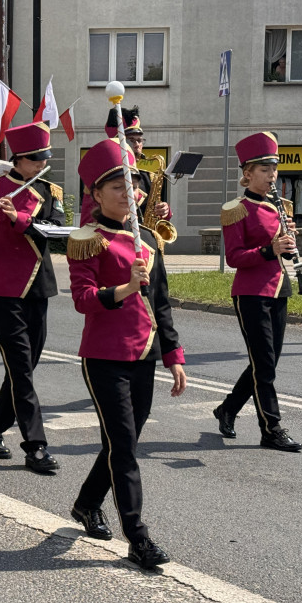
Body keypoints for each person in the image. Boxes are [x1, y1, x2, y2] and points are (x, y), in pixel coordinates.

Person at [66, 137, 186, 569]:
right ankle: (137, 536)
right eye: (116, 186)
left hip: (145, 353)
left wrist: (174, 355)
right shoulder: (86, 239)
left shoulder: (148, 237)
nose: (128, 192)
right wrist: (125, 287)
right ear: (96, 194)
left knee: (124, 442)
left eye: (132, 185)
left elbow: (162, 303)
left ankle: (85, 503)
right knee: (124, 447)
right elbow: (82, 299)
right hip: (103, 356)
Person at [0, 122, 65, 474]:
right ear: (18, 159)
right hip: (5, 288)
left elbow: (59, 233)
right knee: (22, 370)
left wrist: (20, 218)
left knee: (23, 368)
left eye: (44, 158)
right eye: (36, 159)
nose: (41, 164)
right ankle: (35, 446)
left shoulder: (50, 190)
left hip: (39, 287)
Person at [213, 131, 302, 453]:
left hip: (279, 288)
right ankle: (271, 429)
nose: (271, 175)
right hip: (250, 292)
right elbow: (235, 258)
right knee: (263, 363)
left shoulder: (281, 207)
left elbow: (283, 253)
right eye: (264, 169)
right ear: (247, 173)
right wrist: (270, 249)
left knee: (265, 363)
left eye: (274, 169)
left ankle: (227, 409)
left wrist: (288, 243)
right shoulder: (236, 209)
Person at [79, 106, 171, 228]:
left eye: (140, 140)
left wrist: (165, 211)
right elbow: (89, 221)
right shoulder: (101, 177)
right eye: (131, 140)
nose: (137, 145)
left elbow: (158, 214)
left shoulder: (149, 178)